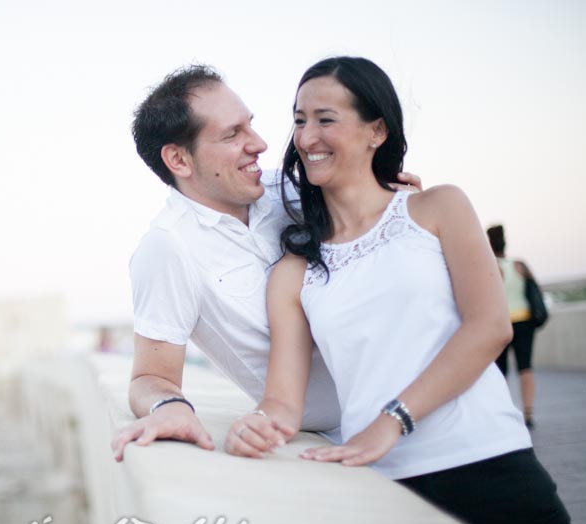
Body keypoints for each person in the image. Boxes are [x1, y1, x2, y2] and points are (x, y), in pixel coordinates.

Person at [231, 56, 572, 524]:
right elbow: (283, 400)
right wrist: (256, 427)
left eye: (326, 118)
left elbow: (489, 326)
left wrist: (391, 421)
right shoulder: (293, 272)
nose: (306, 136)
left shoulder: (437, 209)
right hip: (387, 496)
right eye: (299, 120)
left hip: (493, 474)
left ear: (377, 130)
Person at [111, 65, 421, 462]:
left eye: (250, 126)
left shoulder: (296, 189)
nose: (258, 144)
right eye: (232, 134)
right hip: (340, 441)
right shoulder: (169, 248)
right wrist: (171, 409)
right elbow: (151, 376)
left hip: (419, 401)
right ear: (178, 160)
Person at [486, 224, 540, 428]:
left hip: (502, 323)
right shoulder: (519, 265)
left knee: (501, 370)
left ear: (489, 243)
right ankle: (528, 414)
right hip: (525, 322)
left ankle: (507, 412)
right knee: (525, 367)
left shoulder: (491, 266)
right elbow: (536, 292)